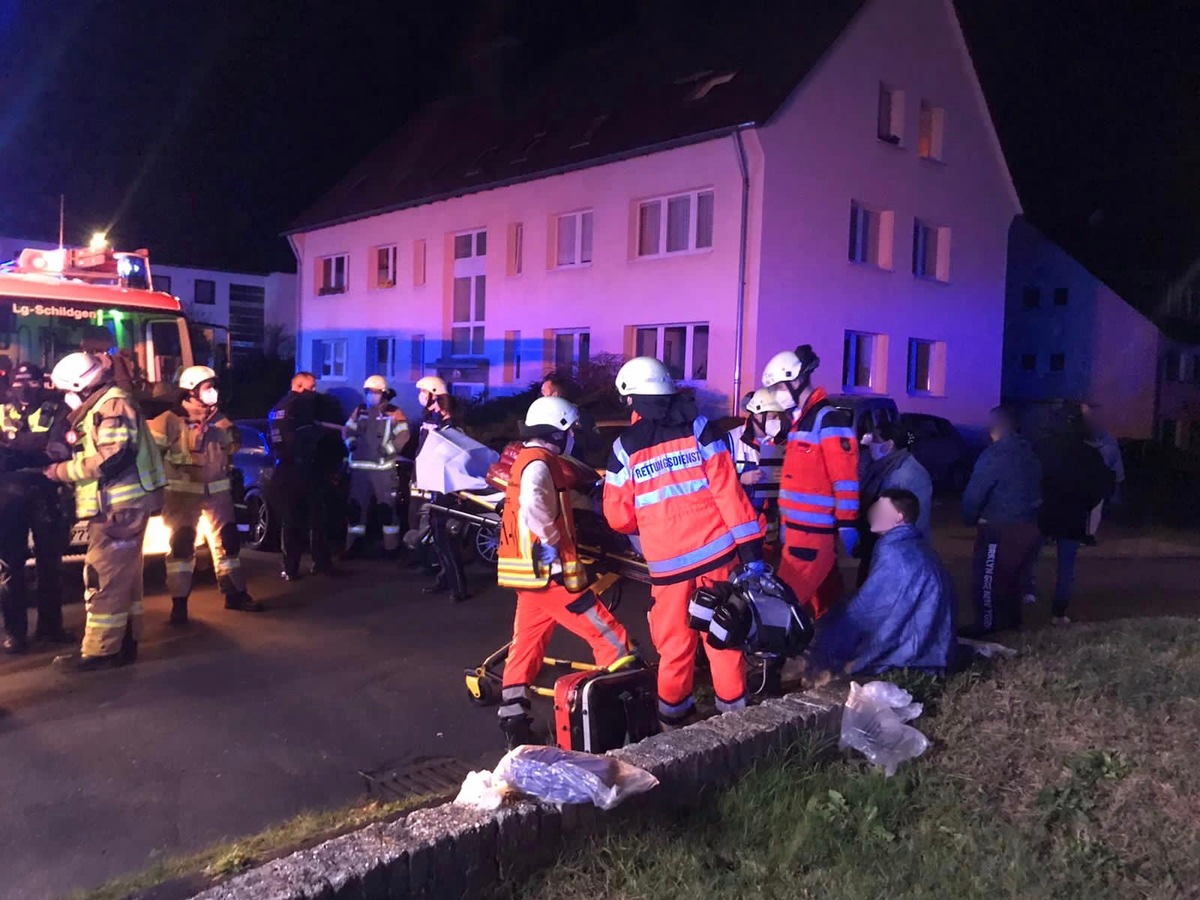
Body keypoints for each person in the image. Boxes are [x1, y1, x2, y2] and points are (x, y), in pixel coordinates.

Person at [603, 357, 764, 728]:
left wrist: (648, 522)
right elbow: (729, 494)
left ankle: (674, 726)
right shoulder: (700, 428)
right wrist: (751, 551)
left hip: (668, 568)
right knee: (724, 637)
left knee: (675, 647)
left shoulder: (624, 448)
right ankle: (736, 723)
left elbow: (617, 518)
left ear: (630, 399)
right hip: (718, 556)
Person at [496, 396, 633, 748]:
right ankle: (616, 712)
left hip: (531, 577)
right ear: (556, 430)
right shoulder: (539, 464)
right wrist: (553, 538)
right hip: (548, 572)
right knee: (610, 636)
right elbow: (533, 508)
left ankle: (514, 719)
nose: (573, 435)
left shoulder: (535, 459)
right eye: (570, 429)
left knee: (526, 645)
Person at [44, 351, 166, 672]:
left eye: (65, 391)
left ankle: (100, 651)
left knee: (103, 577)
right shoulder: (106, 403)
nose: (65, 398)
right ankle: (124, 643)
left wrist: (63, 471)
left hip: (118, 506)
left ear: (78, 386)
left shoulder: (109, 406)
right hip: (124, 505)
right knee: (124, 577)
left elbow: (112, 458)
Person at [150, 365, 262, 625]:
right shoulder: (167, 420)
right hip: (181, 496)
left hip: (217, 494)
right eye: (207, 387)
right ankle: (179, 605)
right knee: (182, 547)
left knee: (229, 543)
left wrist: (219, 425)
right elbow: (152, 458)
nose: (213, 392)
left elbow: (232, 447)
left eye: (213, 386)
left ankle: (235, 594)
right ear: (191, 390)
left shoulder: (218, 419)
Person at [806, 488, 956, 682]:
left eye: (881, 509)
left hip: (916, 655)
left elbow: (868, 611)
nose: (874, 513)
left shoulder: (897, 554)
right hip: (933, 647)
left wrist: (826, 647)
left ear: (898, 518)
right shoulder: (911, 546)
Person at [761, 344, 859, 619]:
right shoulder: (801, 422)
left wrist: (847, 523)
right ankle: (828, 650)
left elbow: (845, 479)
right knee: (822, 601)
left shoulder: (827, 419)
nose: (776, 395)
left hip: (813, 533)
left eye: (778, 387)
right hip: (797, 530)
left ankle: (798, 654)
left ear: (795, 380)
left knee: (785, 603)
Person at [0, 362, 75, 652]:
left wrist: (14, 450)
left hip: (45, 491)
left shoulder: (57, 410)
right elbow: (44, 448)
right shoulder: (3, 409)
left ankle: (51, 628)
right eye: (19, 383)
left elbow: (59, 449)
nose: (24, 388)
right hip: (8, 496)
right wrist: (34, 448)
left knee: (50, 563)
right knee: (9, 567)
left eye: (31, 383)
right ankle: (15, 634)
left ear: (42, 384)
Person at [960, 405, 1042, 635]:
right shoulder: (1029, 451)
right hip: (1029, 526)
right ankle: (1012, 624)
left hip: (1000, 528)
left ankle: (986, 626)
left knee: (987, 579)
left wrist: (969, 517)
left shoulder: (994, 455)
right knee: (1013, 579)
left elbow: (975, 494)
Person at [1033, 406, 1114, 625]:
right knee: (1066, 566)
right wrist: (1086, 505)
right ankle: (1058, 612)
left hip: (1046, 511)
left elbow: (1033, 476)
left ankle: (1026, 593)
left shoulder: (1045, 448)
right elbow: (1100, 486)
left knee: (1030, 555)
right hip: (1072, 515)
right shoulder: (1089, 454)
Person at [268, 372, 341, 581]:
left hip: (284, 469)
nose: (314, 391)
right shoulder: (299, 407)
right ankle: (320, 563)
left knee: (291, 521)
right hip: (302, 469)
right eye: (312, 387)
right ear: (299, 386)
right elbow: (307, 433)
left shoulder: (278, 408)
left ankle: (290, 568)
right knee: (315, 518)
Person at [411, 375, 470, 601]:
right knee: (439, 538)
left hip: (449, 490)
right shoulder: (435, 422)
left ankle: (458, 588)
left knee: (446, 539)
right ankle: (446, 581)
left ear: (434, 395)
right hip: (436, 487)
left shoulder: (452, 427)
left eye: (424, 392)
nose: (421, 397)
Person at [857, 420, 933, 583]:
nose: (872, 444)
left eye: (876, 440)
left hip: (898, 548)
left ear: (889, 444)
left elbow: (913, 518)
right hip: (882, 544)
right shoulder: (884, 466)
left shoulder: (904, 473)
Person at [344, 375, 409, 556]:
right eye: (368, 392)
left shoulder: (394, 412)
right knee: (356, 509)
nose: (370, 395)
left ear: (384, 393)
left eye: (374, 392)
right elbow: (347, 429)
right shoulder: (360, 410)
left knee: (387, 510)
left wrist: (387, 449)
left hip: (383, 471)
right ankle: (353, 546)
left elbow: (403, 435)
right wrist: (350, 443)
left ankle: (391, 548)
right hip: (359, 470)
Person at [725, 388, 786, 561]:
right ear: (758, 415)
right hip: (740, 525)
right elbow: (714, 480)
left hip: (769, 526)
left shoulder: (780, 443)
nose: (778, 422)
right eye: (774, 417)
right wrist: (740, 479)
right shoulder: (731, 440)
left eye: (779, 417)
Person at [1081, 402, 1125, 535]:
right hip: (1080, 483)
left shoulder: (1107, 440)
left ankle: (1088, 535)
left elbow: (1116, 466)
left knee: (1094, 509)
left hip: (1096, 483)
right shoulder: (1078, 438)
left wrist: (1116, 488)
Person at [541, 375, 603, 467]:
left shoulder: (580, 415)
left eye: (544, 393)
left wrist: (575, 434)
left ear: (555, 394)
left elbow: (594, 444)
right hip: (549, 470)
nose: (542, 397)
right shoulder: (541, 417)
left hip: (575, 472)